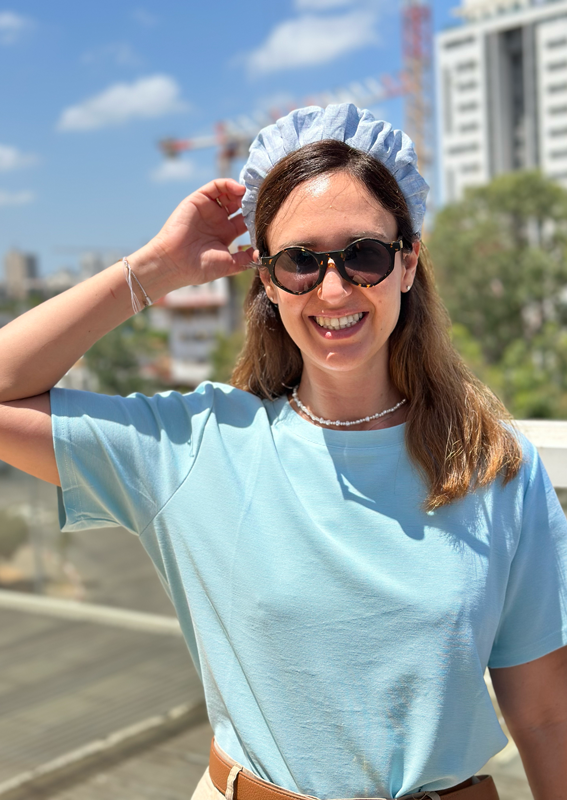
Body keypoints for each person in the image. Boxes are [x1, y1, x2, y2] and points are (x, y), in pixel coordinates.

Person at [0, 104, 566, 800]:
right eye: (300, 261)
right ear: (266, 281)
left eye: (363, 254)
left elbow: (543, 715)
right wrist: (157, 268)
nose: (333, 289)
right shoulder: (198, 445)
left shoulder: (493, 463)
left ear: (407, 263)